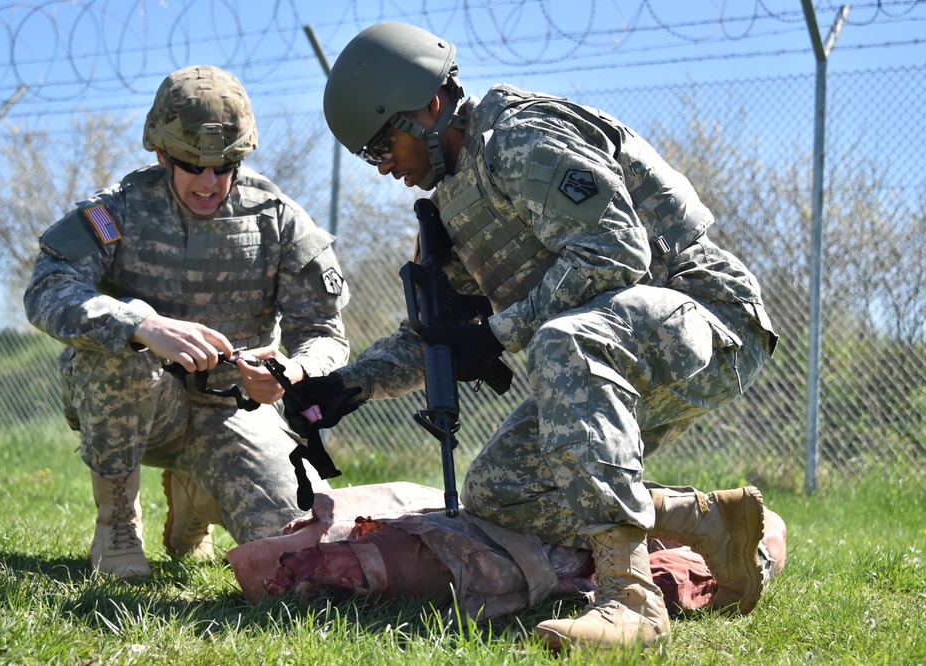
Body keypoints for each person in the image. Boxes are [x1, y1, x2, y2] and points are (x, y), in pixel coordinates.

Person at [292, 22, 779, 653]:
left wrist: (497, 333)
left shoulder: (520, 139)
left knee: (562, 341)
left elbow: (615, 253)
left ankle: (630, 600)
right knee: (499, 490)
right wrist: (344, 386)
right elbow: (439, 335)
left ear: (428, 108)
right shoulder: (456, 197)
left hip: (708, 315)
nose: (385, 169)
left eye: (385, 146)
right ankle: (711, 520)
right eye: (370, 157)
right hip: (620, 338)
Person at [23, 65, 350, 581]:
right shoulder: (118, 212)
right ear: (160, 154)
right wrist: (140, 324)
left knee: (300, 543)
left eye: (224, 167)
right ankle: (118, 526)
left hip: (233, 409)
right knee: (120, 351)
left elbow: (325, 333)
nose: (209, 181)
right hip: (143, 409)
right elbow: (48, 288)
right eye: (192, 164)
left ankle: (194, 501)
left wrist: (294, 370)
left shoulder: (280, 219)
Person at [225, 482, 787, 622]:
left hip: (492, 545)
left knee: (766, 538)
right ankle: (722, 531)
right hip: (497, 552)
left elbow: (252, 563)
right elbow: (251, 564)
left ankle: (721, 530)